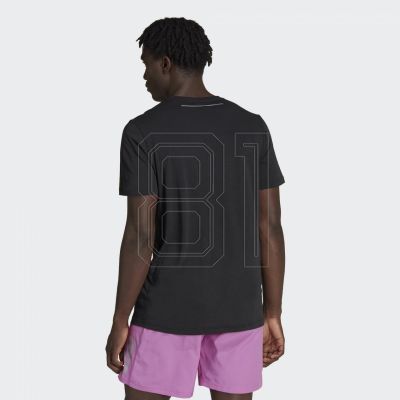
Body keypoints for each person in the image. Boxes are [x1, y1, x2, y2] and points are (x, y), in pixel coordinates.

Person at [105, 17, 286, 400]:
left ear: (166, 63)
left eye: (146, 65)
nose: (144, 76)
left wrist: (121, 319)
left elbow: (141, 236)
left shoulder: (142, 132)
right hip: (239, 311)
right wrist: (272, 311)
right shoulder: (252, 127)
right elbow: (269, 227)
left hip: (165, 311)